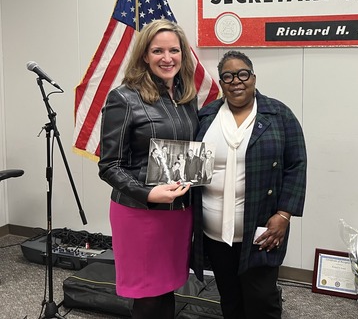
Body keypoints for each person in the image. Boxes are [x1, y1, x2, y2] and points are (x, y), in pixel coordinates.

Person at [191, 50, 307, 319]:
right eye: (228, 76)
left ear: (253, 77)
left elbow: (296, 165)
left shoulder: (279, 115)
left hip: (261, 230)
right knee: (229, 297)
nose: (236, 81)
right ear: (221, 83)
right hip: (215, 232)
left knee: (262, 299)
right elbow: (191, 168)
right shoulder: (206, 117)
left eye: (243, 74)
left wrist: (284, 214)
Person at [98, 19, 200, 319]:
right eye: (158, 51)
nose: (167, 58)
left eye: (174, 50)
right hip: (140, 214)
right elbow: (109, 166)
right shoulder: (124, 97)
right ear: (145, 55)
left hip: (178, 212)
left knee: (167, 288)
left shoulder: (185, 98)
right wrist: (148, 193)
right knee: (147, 296)